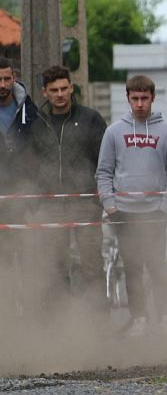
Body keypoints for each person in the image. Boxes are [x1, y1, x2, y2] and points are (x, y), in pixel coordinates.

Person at [97, 75, 167, 335]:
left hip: (155, 212)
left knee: (157, 265)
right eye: (135, 98)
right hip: (123, 212)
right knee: (131, 266)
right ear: (128, 98)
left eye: (144, 98)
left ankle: (166, 316)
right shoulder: (113, 132)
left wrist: (166, 206)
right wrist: (110, 206)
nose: (140, 104)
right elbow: (104, 172)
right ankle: (140, 318)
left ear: (153, 98)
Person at [27, 65, 109, 311]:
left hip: (85, 203)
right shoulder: (35, 123)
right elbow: (29, 164)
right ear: (45, 92)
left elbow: (104, 161)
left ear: (71, 88)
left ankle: (97, 321)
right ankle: (59, 323)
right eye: (54, 90)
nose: (60, 94)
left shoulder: (91, 119)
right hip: (50, 204)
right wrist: (34, 198)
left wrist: (100, 196)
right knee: (54, 265)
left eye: (64, 88)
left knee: (92, 264)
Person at [0, 56, 40, 318]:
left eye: (6, 78)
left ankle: (31, 316)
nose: (2, 84)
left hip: (25, 197)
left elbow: (42, 150)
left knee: (29, 260)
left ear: (14, 79)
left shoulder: (29, 110)